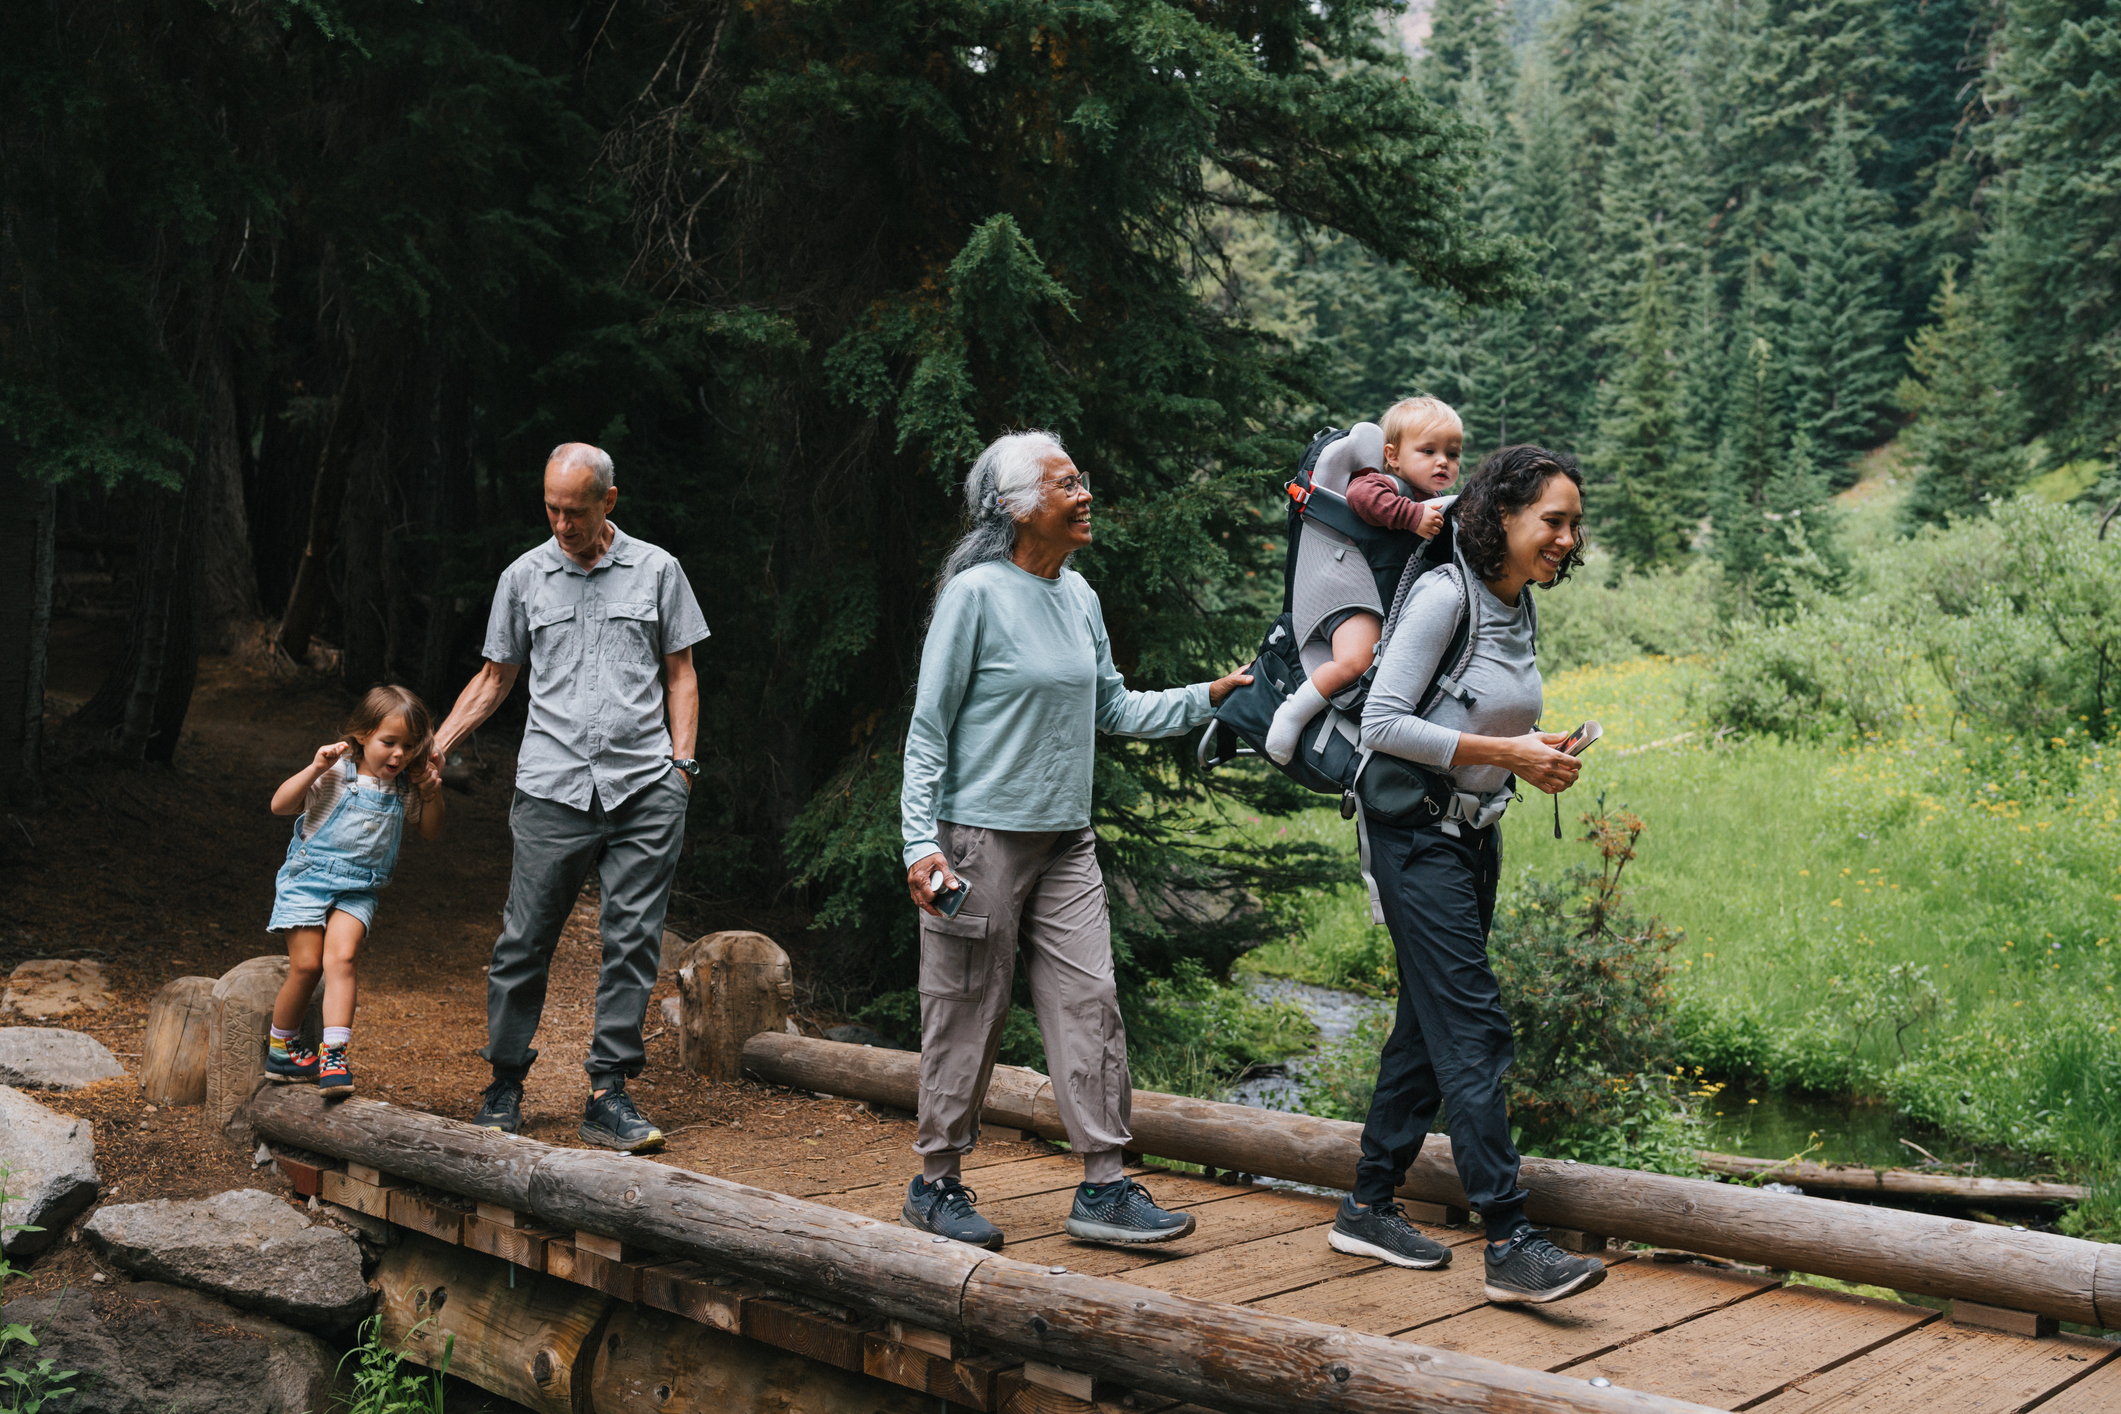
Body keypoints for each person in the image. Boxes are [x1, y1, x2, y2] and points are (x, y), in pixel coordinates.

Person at [899, 430, 1253, 1250]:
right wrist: (921, 845)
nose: (1083, 493)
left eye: (1080, 479)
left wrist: (1210, 696)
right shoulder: (974, 596)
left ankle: (1102, 1185)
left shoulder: (1078, 594)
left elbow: (1114, 707)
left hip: (1066, 841)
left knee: (1090, 1006)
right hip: (978, 840)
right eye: (1065, 485)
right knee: (964, 1013)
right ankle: (936, 1184)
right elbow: (927, 732)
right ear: (1016, 507)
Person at [1335, 445, 1608, 1306]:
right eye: (1552, 521)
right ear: (1502, 519)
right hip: (1413, 838)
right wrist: (1505, 753)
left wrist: (1532, 755)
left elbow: (1476, 714)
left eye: (1573, 523)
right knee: (1474, 1031)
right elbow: (1381, 722)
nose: (1567, 538)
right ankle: (1510, 1238)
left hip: (1471, 836)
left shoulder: (1515, 602)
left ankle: (1367, 1205)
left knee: (1426, 1025)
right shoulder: (1444, 593)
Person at [432, 442, 708, 1152]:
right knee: (523, 941)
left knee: (631, 943)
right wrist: (437, 745)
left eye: (575, 511)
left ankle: (607, 1093)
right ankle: (504, 1082)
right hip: (552, 788)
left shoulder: (657, 571)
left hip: (645, 787)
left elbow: (680, 673)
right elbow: (495, 678)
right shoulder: (523, 578)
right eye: (551, 509)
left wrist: (681, 768)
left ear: (608, 503)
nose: (561, 524)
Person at [265, 685, 447, 1092]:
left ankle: (333, 1055)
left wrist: (432, 794)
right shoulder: (335, 773)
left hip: (358, 888)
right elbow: (280, 805)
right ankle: (281, 1047)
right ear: (362, 734)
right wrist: (314, 767)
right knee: (308, 965)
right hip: (308, 880)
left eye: (409, 746)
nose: (398, 755)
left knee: (343, 959)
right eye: (389, 743)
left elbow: (432, 831)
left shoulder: (406, 788)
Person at [1265, 397, 1465, 764]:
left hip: (1377, 599)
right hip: (1348, 594)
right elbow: (1362, 497)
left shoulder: (1436, 499)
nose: (1443, 462)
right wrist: (1411, 516)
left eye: (1452, 454)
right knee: (1355, 661)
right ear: (1393, 456)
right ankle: (1292, 713)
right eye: (1428, 451)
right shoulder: (1384, 482)